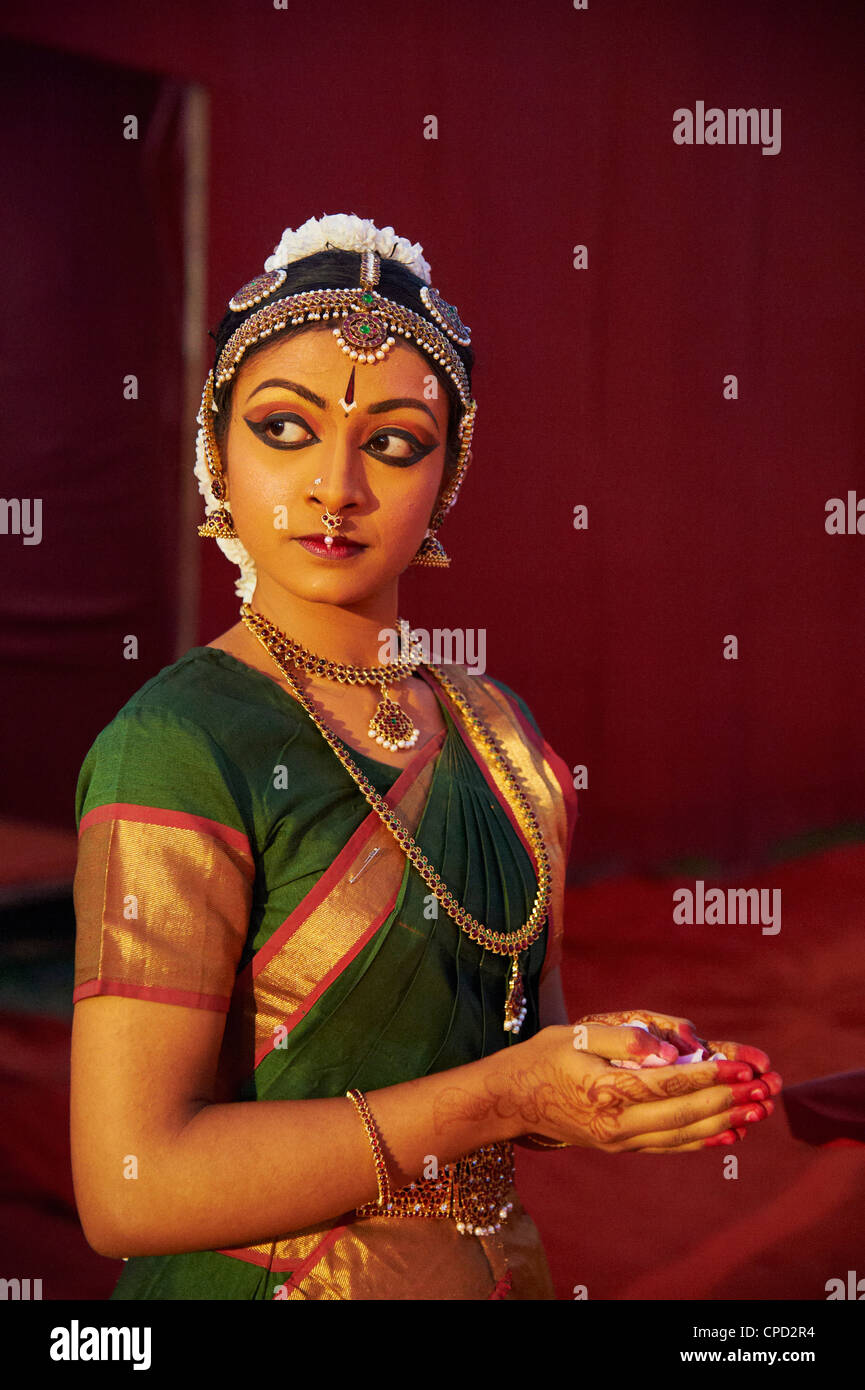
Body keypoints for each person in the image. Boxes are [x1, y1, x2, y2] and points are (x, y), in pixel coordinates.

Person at [69, 214, 781, 1300]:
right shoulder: (176, 744)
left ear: (446, 477)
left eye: (394, 441)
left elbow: (515, 1052)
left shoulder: (499, 734)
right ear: (216, 452)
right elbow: (130, 1188)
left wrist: (606, 1075)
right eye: (283, 428)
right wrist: (505, 1099)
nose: (334, 487)